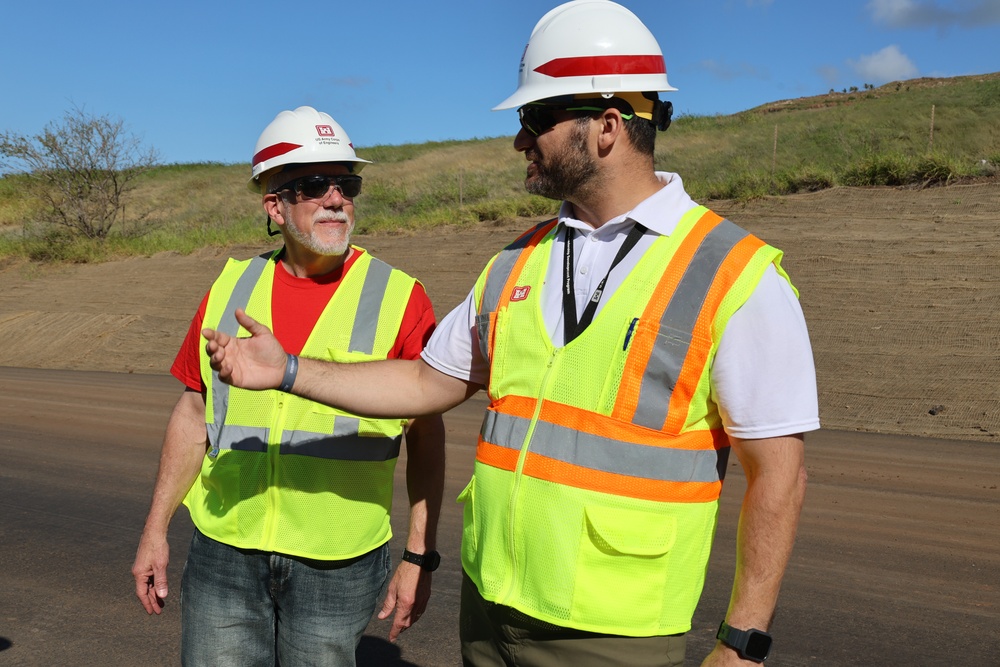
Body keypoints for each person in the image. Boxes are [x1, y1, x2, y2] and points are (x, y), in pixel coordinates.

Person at [202, 1, 818, 664]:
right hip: (489, 612)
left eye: (535, 119)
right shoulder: (515, 261)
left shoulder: (736, 276)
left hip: (614, 637)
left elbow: (778, 475)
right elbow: (424, 380)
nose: (521, 140)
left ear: (607, 127)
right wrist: (289, 369)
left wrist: (742, 643)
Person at [131, 106, 446, 667]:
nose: (335, 199)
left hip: (340, 560)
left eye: (346, 184)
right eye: (313, 185)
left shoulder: (401, 296)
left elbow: (427, 434)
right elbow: (194, 408)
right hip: (225, 548)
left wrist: (418, 557)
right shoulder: (232, 284)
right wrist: (156, 527)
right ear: (274, 206)